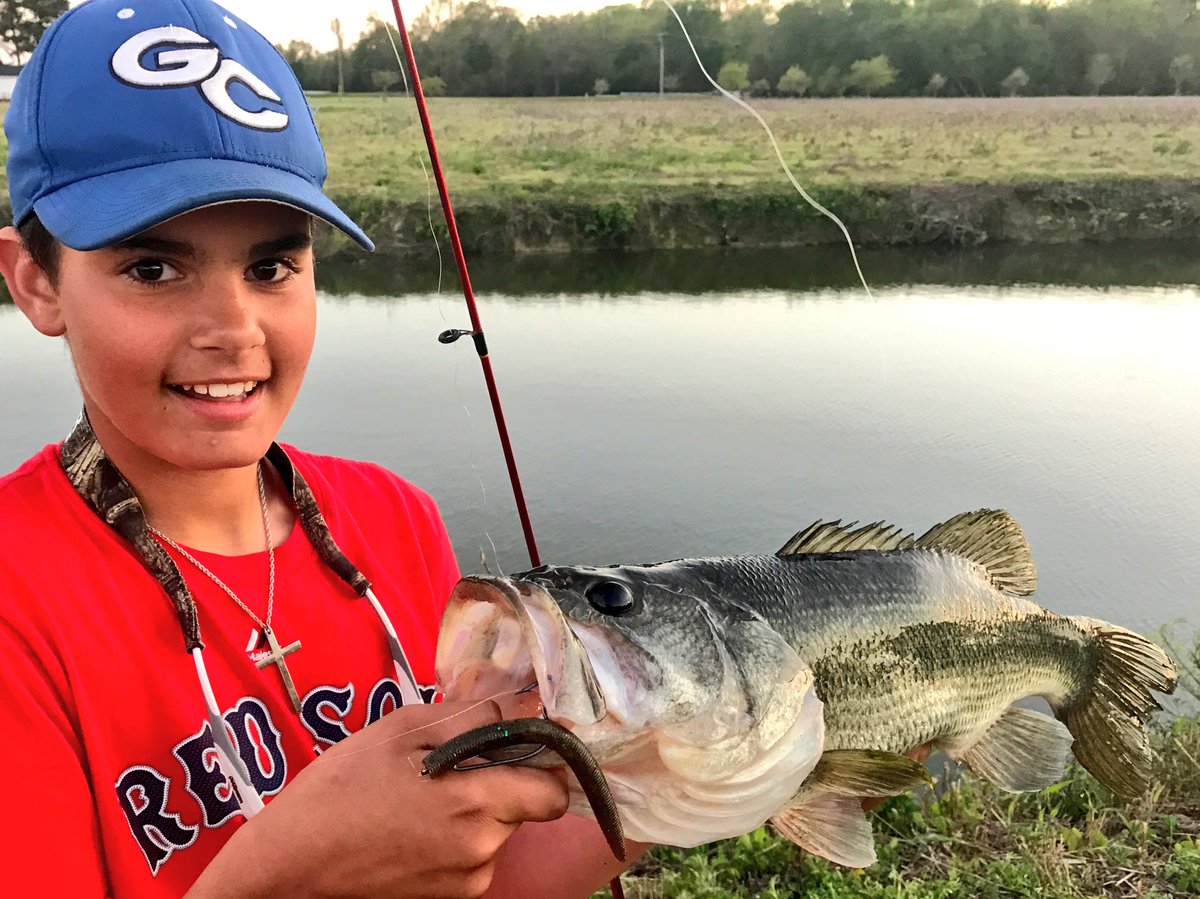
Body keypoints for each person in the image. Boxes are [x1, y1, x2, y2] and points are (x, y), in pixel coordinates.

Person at [0, 0, 641, 895]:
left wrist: (703, 777)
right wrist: (286, 876)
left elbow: (489, 873)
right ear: (37, 283)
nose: (234, 329)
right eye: (152, 268)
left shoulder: (395, 520)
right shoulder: (18, 597)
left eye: (271, 266)